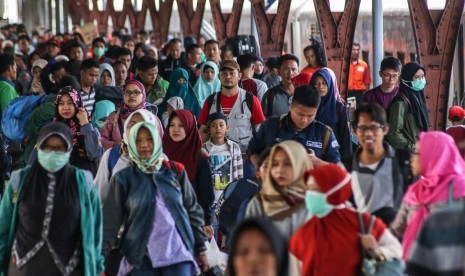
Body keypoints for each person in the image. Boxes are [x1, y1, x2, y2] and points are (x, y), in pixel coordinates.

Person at [102, 121, 209, 275]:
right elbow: (109, 223)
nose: (144, 144)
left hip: (178, 256)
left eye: (149, 139)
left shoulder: (175, 171)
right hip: (141, 258)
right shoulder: (123, 179)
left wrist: (201, 249)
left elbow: (192, 212)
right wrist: (99, 261)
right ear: (131, 143)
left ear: (157, 140)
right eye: (138, 140)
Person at [0, 122, 104, 276]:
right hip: (24, 269)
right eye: (47, 147)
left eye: (59, 148)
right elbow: (4, 228)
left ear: (69, 149)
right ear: (38, 148)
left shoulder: (83, 183)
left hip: (71, 269)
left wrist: (97, 267)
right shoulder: (19, 180)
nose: (53, 153)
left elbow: (95, 231)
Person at [289, 163, 402, 275]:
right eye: (308, 189)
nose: (309, 195)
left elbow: (397, 250)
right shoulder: (305, 230)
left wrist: (377, 250)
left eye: (315, 189)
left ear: (333, 191)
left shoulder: (364, 223)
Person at [390, 131, 465, 259]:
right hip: (413, 265)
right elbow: (396, 229)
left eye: (417, 153)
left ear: (434, 155)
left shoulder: (460, 189)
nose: (411, 158)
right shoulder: (416, 191)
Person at [342, 103, 412, 225]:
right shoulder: (345, 167)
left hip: (394, 237)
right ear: (354, 131)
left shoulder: (404, 162)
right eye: (362, 128)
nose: (368, 134)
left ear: (385, 129)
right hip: (358, 237)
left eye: (374, 128)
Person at [248, 85, 341, 167]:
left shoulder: (325, 134)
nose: (304, 120)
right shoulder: (270, 126)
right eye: (300, 114)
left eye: (310, 116)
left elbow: (337, 168)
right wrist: (264, 167)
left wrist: (316, 161)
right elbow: (252, 151)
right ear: (291, 107)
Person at [245, 140, 313, 239]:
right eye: (275, 164)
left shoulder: (314, 204)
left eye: (287, 164)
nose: (279, 170)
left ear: (301, 166)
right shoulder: (258, 203)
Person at [30, 86, 103, 176]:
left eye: (70, 103)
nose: (65, 107)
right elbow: (33, 162)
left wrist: (85, 125)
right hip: (59, 183)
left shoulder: (91, 130)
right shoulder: (51, 131)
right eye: (61, 103)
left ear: (77, 104)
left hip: (84, 183)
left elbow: (94, 155)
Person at [163, 110, 215, 233]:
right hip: (164, 221)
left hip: (191, 222)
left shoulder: (199, 157)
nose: (175, 129)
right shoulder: (160, 154)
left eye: (181, 125)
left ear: (190, 128)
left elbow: (206, 195)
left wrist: (206, 222)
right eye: (172, 125)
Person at [198, 59, 266, 153]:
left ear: (239, 76)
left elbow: (260, 130)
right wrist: (202, 154)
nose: (228, 76)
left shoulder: (251, 100)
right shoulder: (210, 101)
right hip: (216, 156)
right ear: (219, 76)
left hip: (245, 155)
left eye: (232, 73)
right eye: (224, 73)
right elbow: (204, 130)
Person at [94, 109, 161, 203]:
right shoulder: (111, 156)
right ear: (126, 127)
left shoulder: (161, 160)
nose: (136, 129)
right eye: (132, 124)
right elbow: (97, 196)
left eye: (143, 125)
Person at [310, 68, 352, 158]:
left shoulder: (340, 108)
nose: (320, 87)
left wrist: (346, 163)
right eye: (316, 83)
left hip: (334, 156)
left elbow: (346, 139)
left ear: (330, 84)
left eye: (324, 83)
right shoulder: (309, 106)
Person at [386, 62, 429, 151]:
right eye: (417, 77)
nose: (421, 80)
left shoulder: (418, 98)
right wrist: (412, 147)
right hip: (407, 156)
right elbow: (394, 133)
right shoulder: (400, 103)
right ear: (407, 79)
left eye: (423, 77)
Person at [202, 112, 243, 202]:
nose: (218, 128)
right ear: (208, 130)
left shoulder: (234, 148)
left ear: (227, 128)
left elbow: (240, 174)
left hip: (229, 198)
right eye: (213, 125)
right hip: (211, 199)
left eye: (221, 125)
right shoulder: (203, 149)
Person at [100, 80, 146, 150]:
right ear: (123, 95)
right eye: (128, 92)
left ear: (143, 95)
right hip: (119, 158)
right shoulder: (114, 116)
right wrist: (115, 145)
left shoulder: (150, 117)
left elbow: (159, 141)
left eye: (136, 92)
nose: (132, 95)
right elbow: (102, 139)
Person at [347, 42, 371, 107]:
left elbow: (367, 82)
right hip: (348, 93)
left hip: (360, 93)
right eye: (354, 49)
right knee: (351, 112)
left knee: (359, 112)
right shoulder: (345, 65)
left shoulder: (364, 65)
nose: (356, 52)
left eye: (357, 50)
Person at [0, 53, 18, 118]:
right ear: (10, 68)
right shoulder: (6, 87)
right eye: (16, 67)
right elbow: (8, 115)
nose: (16, 70)